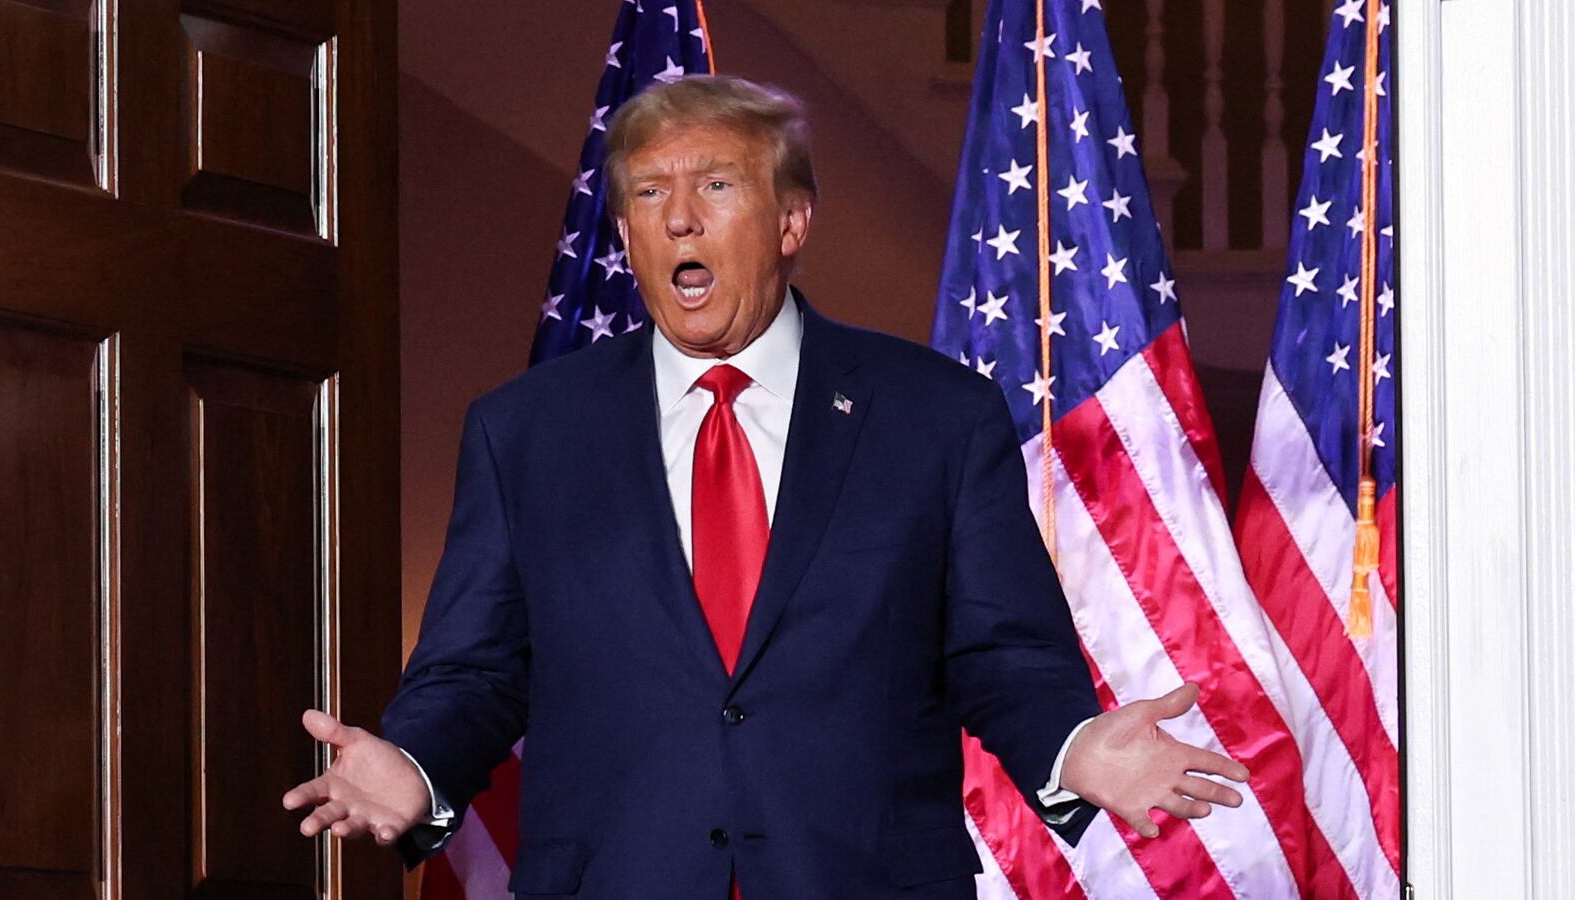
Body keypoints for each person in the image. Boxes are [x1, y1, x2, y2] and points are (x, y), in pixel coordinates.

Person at [283, 75, 1249, 898]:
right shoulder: (527, 431)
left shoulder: (934, 419)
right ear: (625, 230)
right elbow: (476, 669)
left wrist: (1070, 744)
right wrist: (415, 761)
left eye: (715, 185)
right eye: (650, 193)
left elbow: (1003, 652)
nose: (680, 218)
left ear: (792, 220)